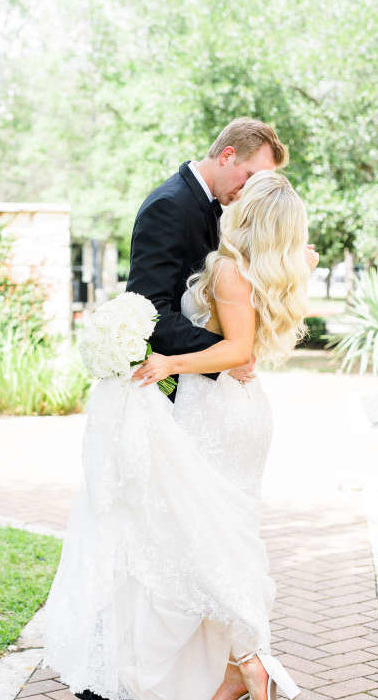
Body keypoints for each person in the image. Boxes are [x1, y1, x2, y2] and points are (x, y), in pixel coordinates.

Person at [43, 167, 319, 700]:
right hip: (241, 411)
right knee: (213, 534)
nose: (233, 199)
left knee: (191, 538)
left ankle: (243, 660)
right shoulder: (285, 269)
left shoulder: (231, 271)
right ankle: (239, 665)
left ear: (250, 214)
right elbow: (254, 334)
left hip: (215, 410)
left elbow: (239, 350)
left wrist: (168, 361)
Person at [124, 117, 289, 400]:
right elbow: (150, 313)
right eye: (250, 177)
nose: (251, 191)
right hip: (169, 389)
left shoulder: (214, 207)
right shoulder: (169, 206)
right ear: (227, 155)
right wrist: (227, 353)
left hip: (199, 389)